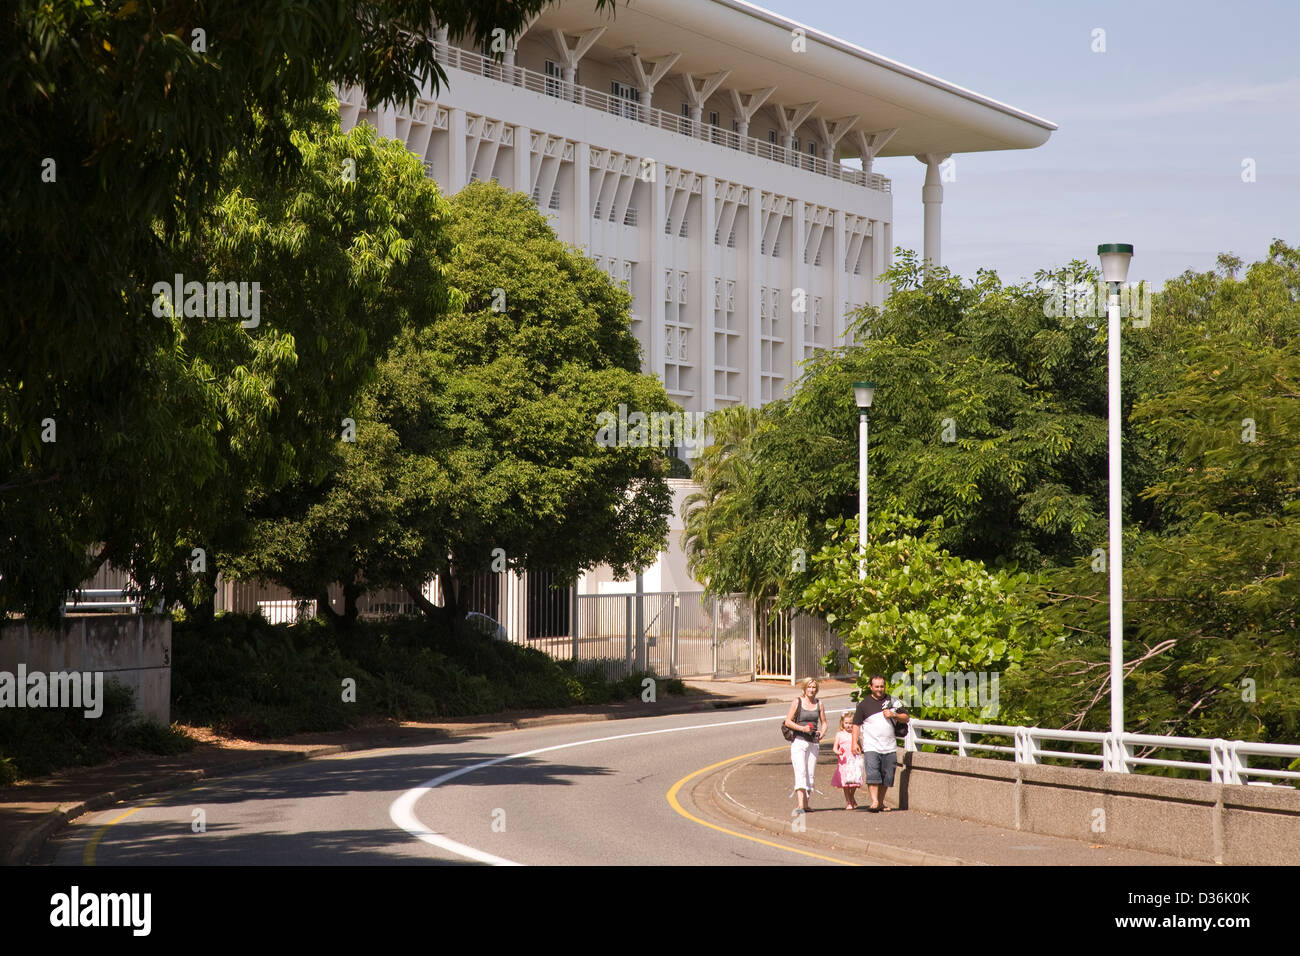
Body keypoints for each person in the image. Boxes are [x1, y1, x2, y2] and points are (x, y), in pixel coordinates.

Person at [851, 674, 910, 812]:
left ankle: (881, 802)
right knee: (873, 774)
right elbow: (856, 725)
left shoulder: (893, 701)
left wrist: (894, 715)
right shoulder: (864, 704)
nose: (879, 689)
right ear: (871, 687)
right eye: (876, 686)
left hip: (889, 746)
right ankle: (874, 801)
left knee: (887, 776)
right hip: (871, 745)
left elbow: (906, 717)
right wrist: (854, 742)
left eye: (882, 686)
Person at [784, 677, 827, 813]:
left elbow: (824, 722)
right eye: (809, 687)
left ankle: (806, 804)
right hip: (799, 741)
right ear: (804, 688)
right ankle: (801, 804)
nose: (811, 690)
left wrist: (822, 732)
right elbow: (788, 721)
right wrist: (802, 729)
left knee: (810, 773)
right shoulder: (797, 702)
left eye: (814, 687)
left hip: (813, 742)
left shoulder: (819, 704)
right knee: (800, 771)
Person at [830, 711, 864, 809]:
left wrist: (860, 751)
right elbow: (835, 747)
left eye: (851, 723)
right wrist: (837, 752)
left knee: (854, 782)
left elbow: (860, 747)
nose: (849, 725)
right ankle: (849, 802)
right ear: (842, 723)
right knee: (845, 783)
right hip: (843, 761)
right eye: (846, 723)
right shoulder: (839, 734)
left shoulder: (855, 734)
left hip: (853, 760)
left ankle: (851, 796)